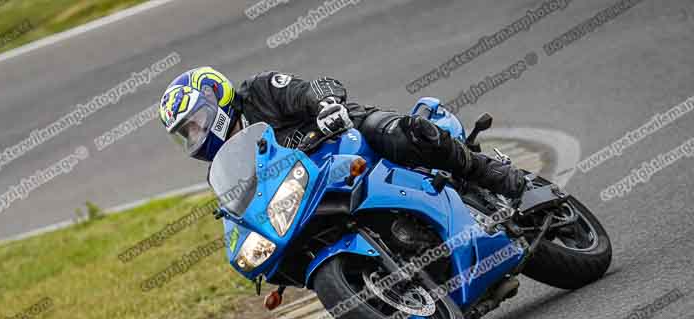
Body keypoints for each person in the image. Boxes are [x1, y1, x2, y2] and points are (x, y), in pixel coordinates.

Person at [159, 67, 526, 198]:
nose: (195, 135)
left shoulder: (260, 91)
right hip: (316, 185)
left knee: (407, 133)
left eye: (194, 123)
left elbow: (311, 88)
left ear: (215, 98)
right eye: (186, 133)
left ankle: (483, 171)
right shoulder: (227, 166)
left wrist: (327, 106)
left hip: (348, 135)